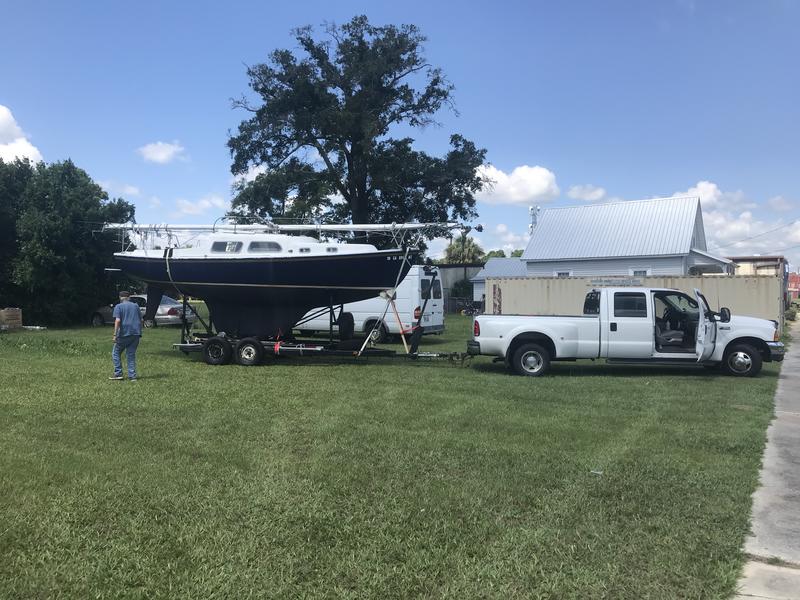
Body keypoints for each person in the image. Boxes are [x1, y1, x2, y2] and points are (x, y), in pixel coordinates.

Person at [110, 291, 143, 381]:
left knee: (115, 352)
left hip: (124, 334)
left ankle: (118, 373)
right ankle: (132, 376)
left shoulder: (118, 307)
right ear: (129, 297)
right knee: (131, 355)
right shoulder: (136, 306)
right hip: (136, 333)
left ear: (120, 298)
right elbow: (141, 319)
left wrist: (115, 334)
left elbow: (117, 321)